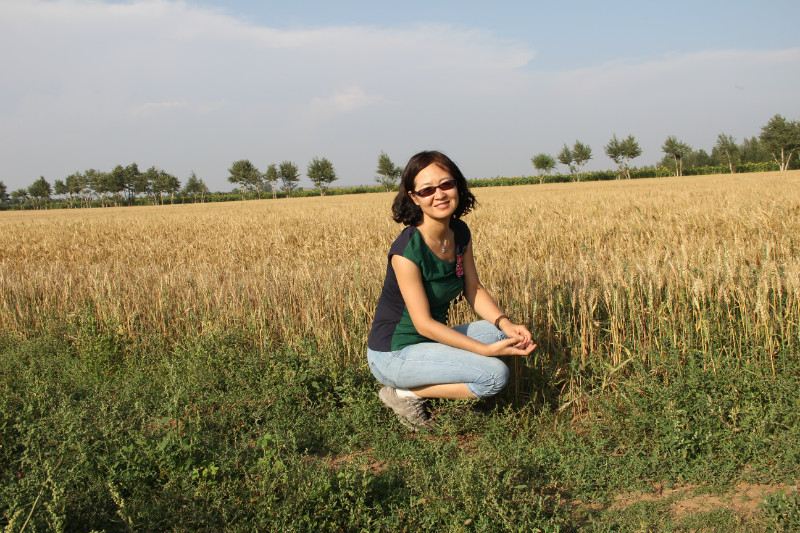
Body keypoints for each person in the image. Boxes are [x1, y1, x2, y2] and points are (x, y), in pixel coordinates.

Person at [366, 150, 536, 431]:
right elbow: (424, 324)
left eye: (446, 184)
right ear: (414, 197)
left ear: (458, 185)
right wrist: (484, 351)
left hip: (425, 343)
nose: (440, 194)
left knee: (505, 333)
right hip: (394, 353)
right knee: (495, 375)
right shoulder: (406, 251)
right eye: (427, 189)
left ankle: (420, 382)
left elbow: (474, 288)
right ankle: (404, 393)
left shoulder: (459, 232)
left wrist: (506, 324)